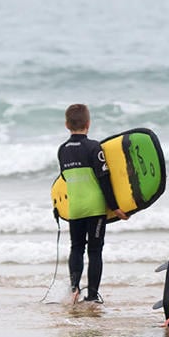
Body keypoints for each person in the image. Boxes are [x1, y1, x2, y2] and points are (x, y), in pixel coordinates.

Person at [57, 104, 128, 304]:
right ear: (88, 123)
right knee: (95, 251)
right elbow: (104, 179)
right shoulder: (93, 147)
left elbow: (64, 178)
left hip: (75, 208)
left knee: (76, 248)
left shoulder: (62, 150)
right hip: (95, 208)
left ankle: (74, 290)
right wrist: (115, 207)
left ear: (66, 124)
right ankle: (93, 295)